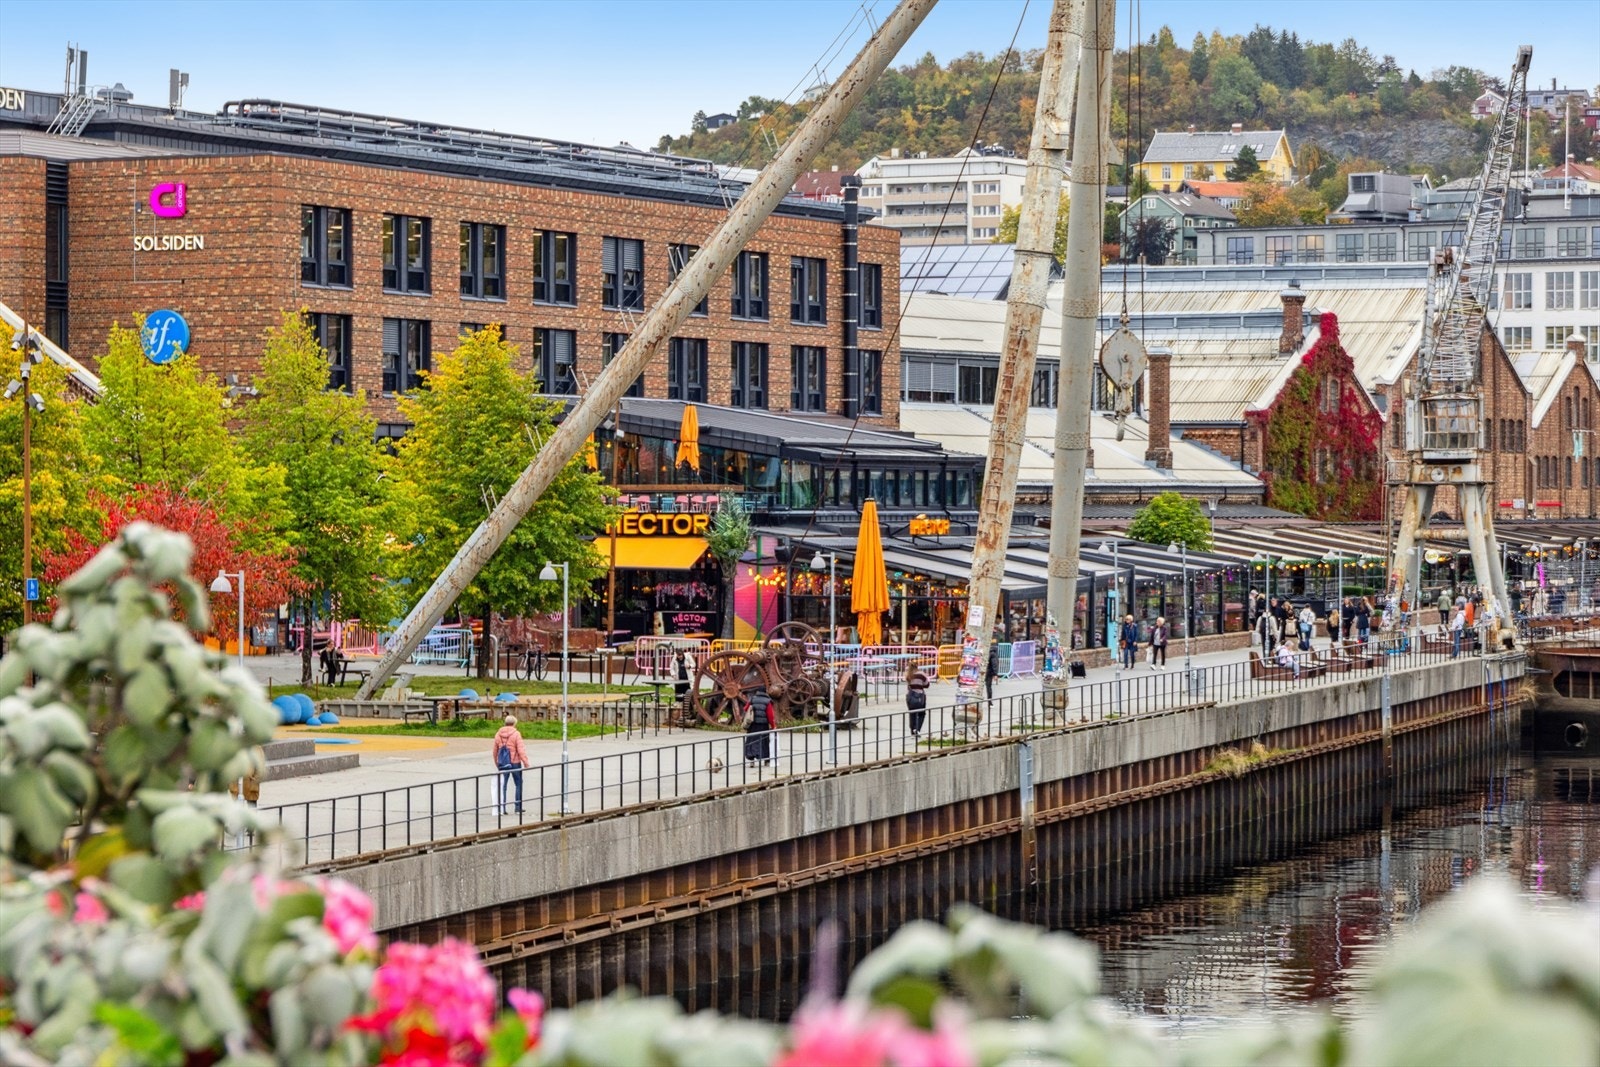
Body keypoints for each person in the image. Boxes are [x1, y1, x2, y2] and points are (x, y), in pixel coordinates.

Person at [491, 715, 528, 815]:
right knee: (518, 784)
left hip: (503, 763)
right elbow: (521, 750)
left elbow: (495, 751)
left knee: (503, 785)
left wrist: (497, 762)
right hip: (515, 762)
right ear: (514, 723)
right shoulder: (516, 734)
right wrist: (526, 762)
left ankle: (501, 808)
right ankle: (518, 807)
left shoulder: (498, 734)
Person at [743, 684, 776, 766]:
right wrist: (773, 726)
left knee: (751, 740)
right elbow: (770, 715)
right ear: (765, 691)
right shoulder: (768, 701)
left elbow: (746, 708)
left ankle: (751, 761)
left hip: (753, 724)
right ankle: (765, 760)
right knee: (764, 742)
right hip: (763, 725)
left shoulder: (753, 699)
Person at [906, 669, 929, 739]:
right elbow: (927, 684)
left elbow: (908, 685)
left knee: (912, 714)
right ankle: (917, 729)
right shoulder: (921, 674)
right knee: (921, 714)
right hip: (920, 697)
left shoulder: (908, 674)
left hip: (910, 697)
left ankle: (912, 731)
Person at [673, 649, 692, 713]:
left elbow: (693, 664)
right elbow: (671, 667)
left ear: (683, 654)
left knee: (686, 692)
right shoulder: (674, 658)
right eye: (678, 656)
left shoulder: (688, 657)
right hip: (678, 679)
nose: (680, 657)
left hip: (686, 679)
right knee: (678, 692)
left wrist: (689, 666)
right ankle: (678, 705)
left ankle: (688, 706)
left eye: (681, 655)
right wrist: (673, 674)